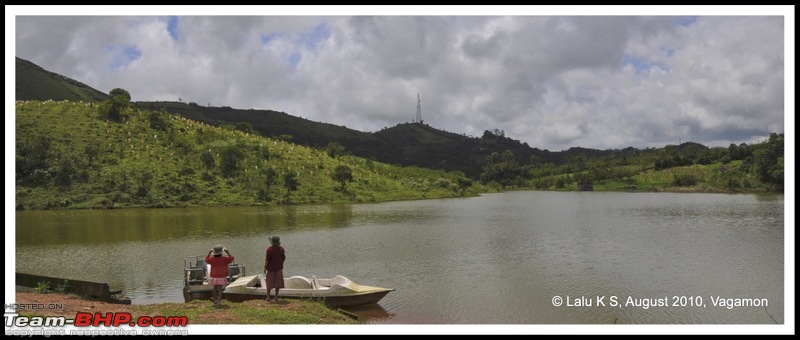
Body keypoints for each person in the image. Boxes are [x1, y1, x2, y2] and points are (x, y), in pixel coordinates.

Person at [264, 236, 286, 302]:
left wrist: (265, 267)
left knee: (269, 283)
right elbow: (283, 258)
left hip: (270, 269)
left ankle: (268, 297)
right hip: (278, 268)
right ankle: (276, 297)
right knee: (278, 283)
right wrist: (280, 263)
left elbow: (267, 259)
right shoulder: (281, 249)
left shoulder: (269, 249)